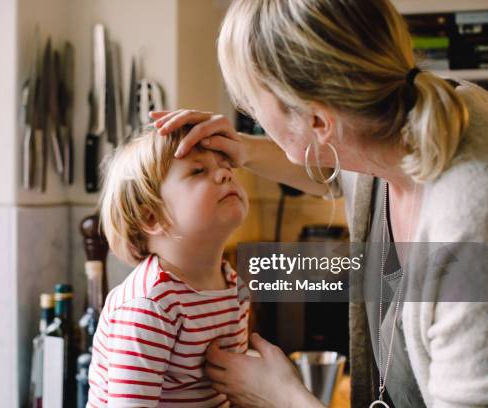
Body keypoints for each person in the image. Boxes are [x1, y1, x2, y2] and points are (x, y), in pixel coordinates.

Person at [150, 0, 488, 407]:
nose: (252, 115)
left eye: (254, 105)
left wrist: (283, 397)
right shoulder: (394, 121)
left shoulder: (468, 230)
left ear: (319, 122)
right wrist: (244, 149)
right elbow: (336, 169)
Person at [88, 126, 250, 407]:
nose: (225, 174)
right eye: (198, 171)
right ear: (152, 217)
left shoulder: (235, 286)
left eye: (226, 168)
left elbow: (235, 392)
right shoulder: (151, 304)